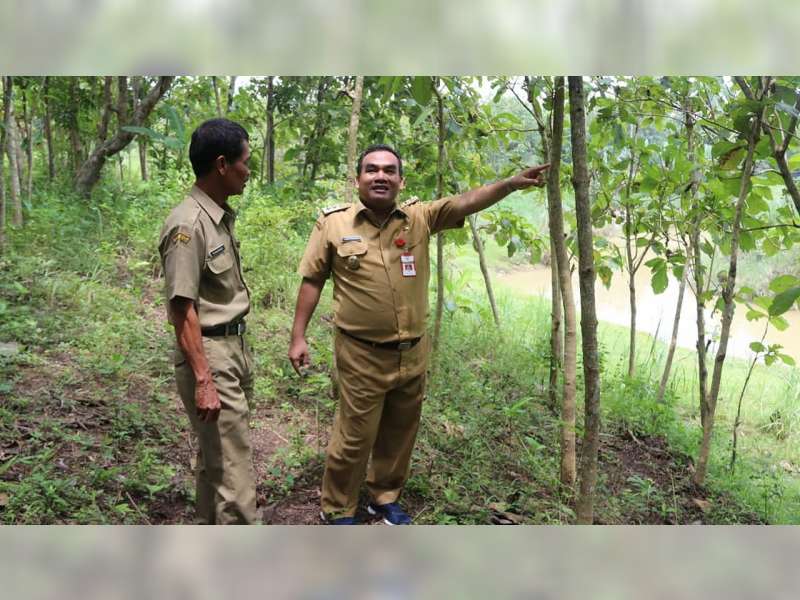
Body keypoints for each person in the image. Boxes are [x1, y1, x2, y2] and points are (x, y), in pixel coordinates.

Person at [288, 143, 548, 524]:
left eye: (389, 170)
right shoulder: (334, 223)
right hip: (361, 352)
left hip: (412, 351)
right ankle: (338, 507)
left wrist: (509, 184)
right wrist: (298, 336)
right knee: (355, 436)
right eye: (372, 169)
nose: (381, 176)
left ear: (400, 179)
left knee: (400, 432)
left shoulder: (419, 218)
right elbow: (312, 280)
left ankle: (383, 496)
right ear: (358, 178)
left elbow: (466, 202)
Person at [158, 118, 258, 524]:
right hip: (211, 356)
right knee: (236, 476)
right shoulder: (189, 224)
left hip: (232, 349)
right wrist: (204, 380)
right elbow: (182, 309)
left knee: (217, 460)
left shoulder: (217, 216)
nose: (248, 171)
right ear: (221, 164)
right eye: (245, 162)